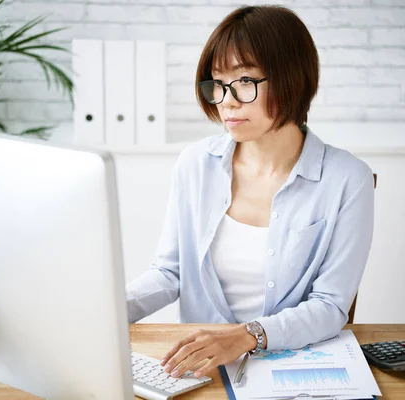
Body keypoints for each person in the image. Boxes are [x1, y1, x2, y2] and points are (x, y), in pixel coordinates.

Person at [125, 4, 374, 380]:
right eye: (219, 84)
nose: (226, 100)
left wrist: (245, 337)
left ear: (293, 78)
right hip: (198, 370)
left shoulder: (347, 179)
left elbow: (330, 306)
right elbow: (170, 272)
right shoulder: (195, 164)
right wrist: (105, 311)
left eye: (244, 81)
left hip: (294, 368)